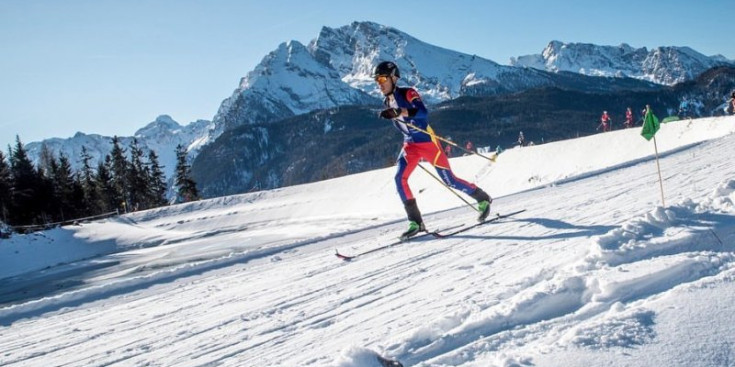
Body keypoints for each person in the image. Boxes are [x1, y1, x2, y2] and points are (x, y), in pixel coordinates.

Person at [373, 61, 492, 240]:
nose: (379, 83)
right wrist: (394, 114)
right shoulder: (386, 101)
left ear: (393, 77)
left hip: (428, 143)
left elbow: (423, 112)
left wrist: (399, 111)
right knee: (400, 179)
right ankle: (416, 222)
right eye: (377, 80)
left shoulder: (408, 93)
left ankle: (482, 198)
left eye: (382, 78)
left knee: (449, 180)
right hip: (410, 145)